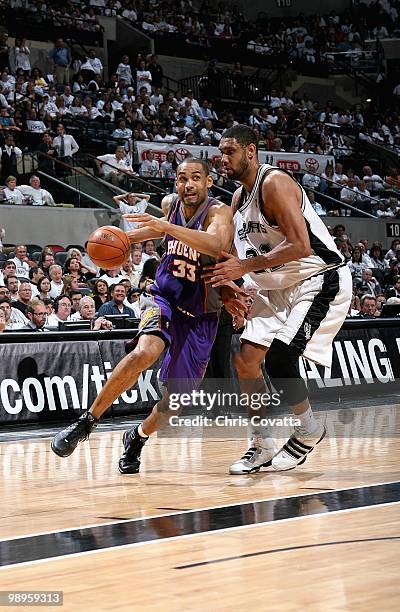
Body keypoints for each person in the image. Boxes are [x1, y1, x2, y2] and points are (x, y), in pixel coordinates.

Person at [51, 158, 236, 475]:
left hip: (201, 315)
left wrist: (167, 227)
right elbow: (152, 231)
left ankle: (135, 438)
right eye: (181, 178)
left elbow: (216, 243)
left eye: (195, 178)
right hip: (163, 297)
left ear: (208, 182)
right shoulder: (170, 205)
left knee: (174, 404)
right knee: (144, 351)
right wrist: (113, 239)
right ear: (175, 183)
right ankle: (87, 421)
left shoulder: (220, 212)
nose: (187, 184)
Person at [207, 125, 352, 474]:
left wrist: (245, 266)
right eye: (221, 152)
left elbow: (300, 245)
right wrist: (235, 288)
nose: (223, 159)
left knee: (280, 361)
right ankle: (261, 443)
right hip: (276, 287)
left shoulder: (274, 183)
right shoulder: (238, 199)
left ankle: (308, 430)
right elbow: (241, 256)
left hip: (317, 278)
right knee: (245, 361)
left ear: (251, 151)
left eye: (231, 152)